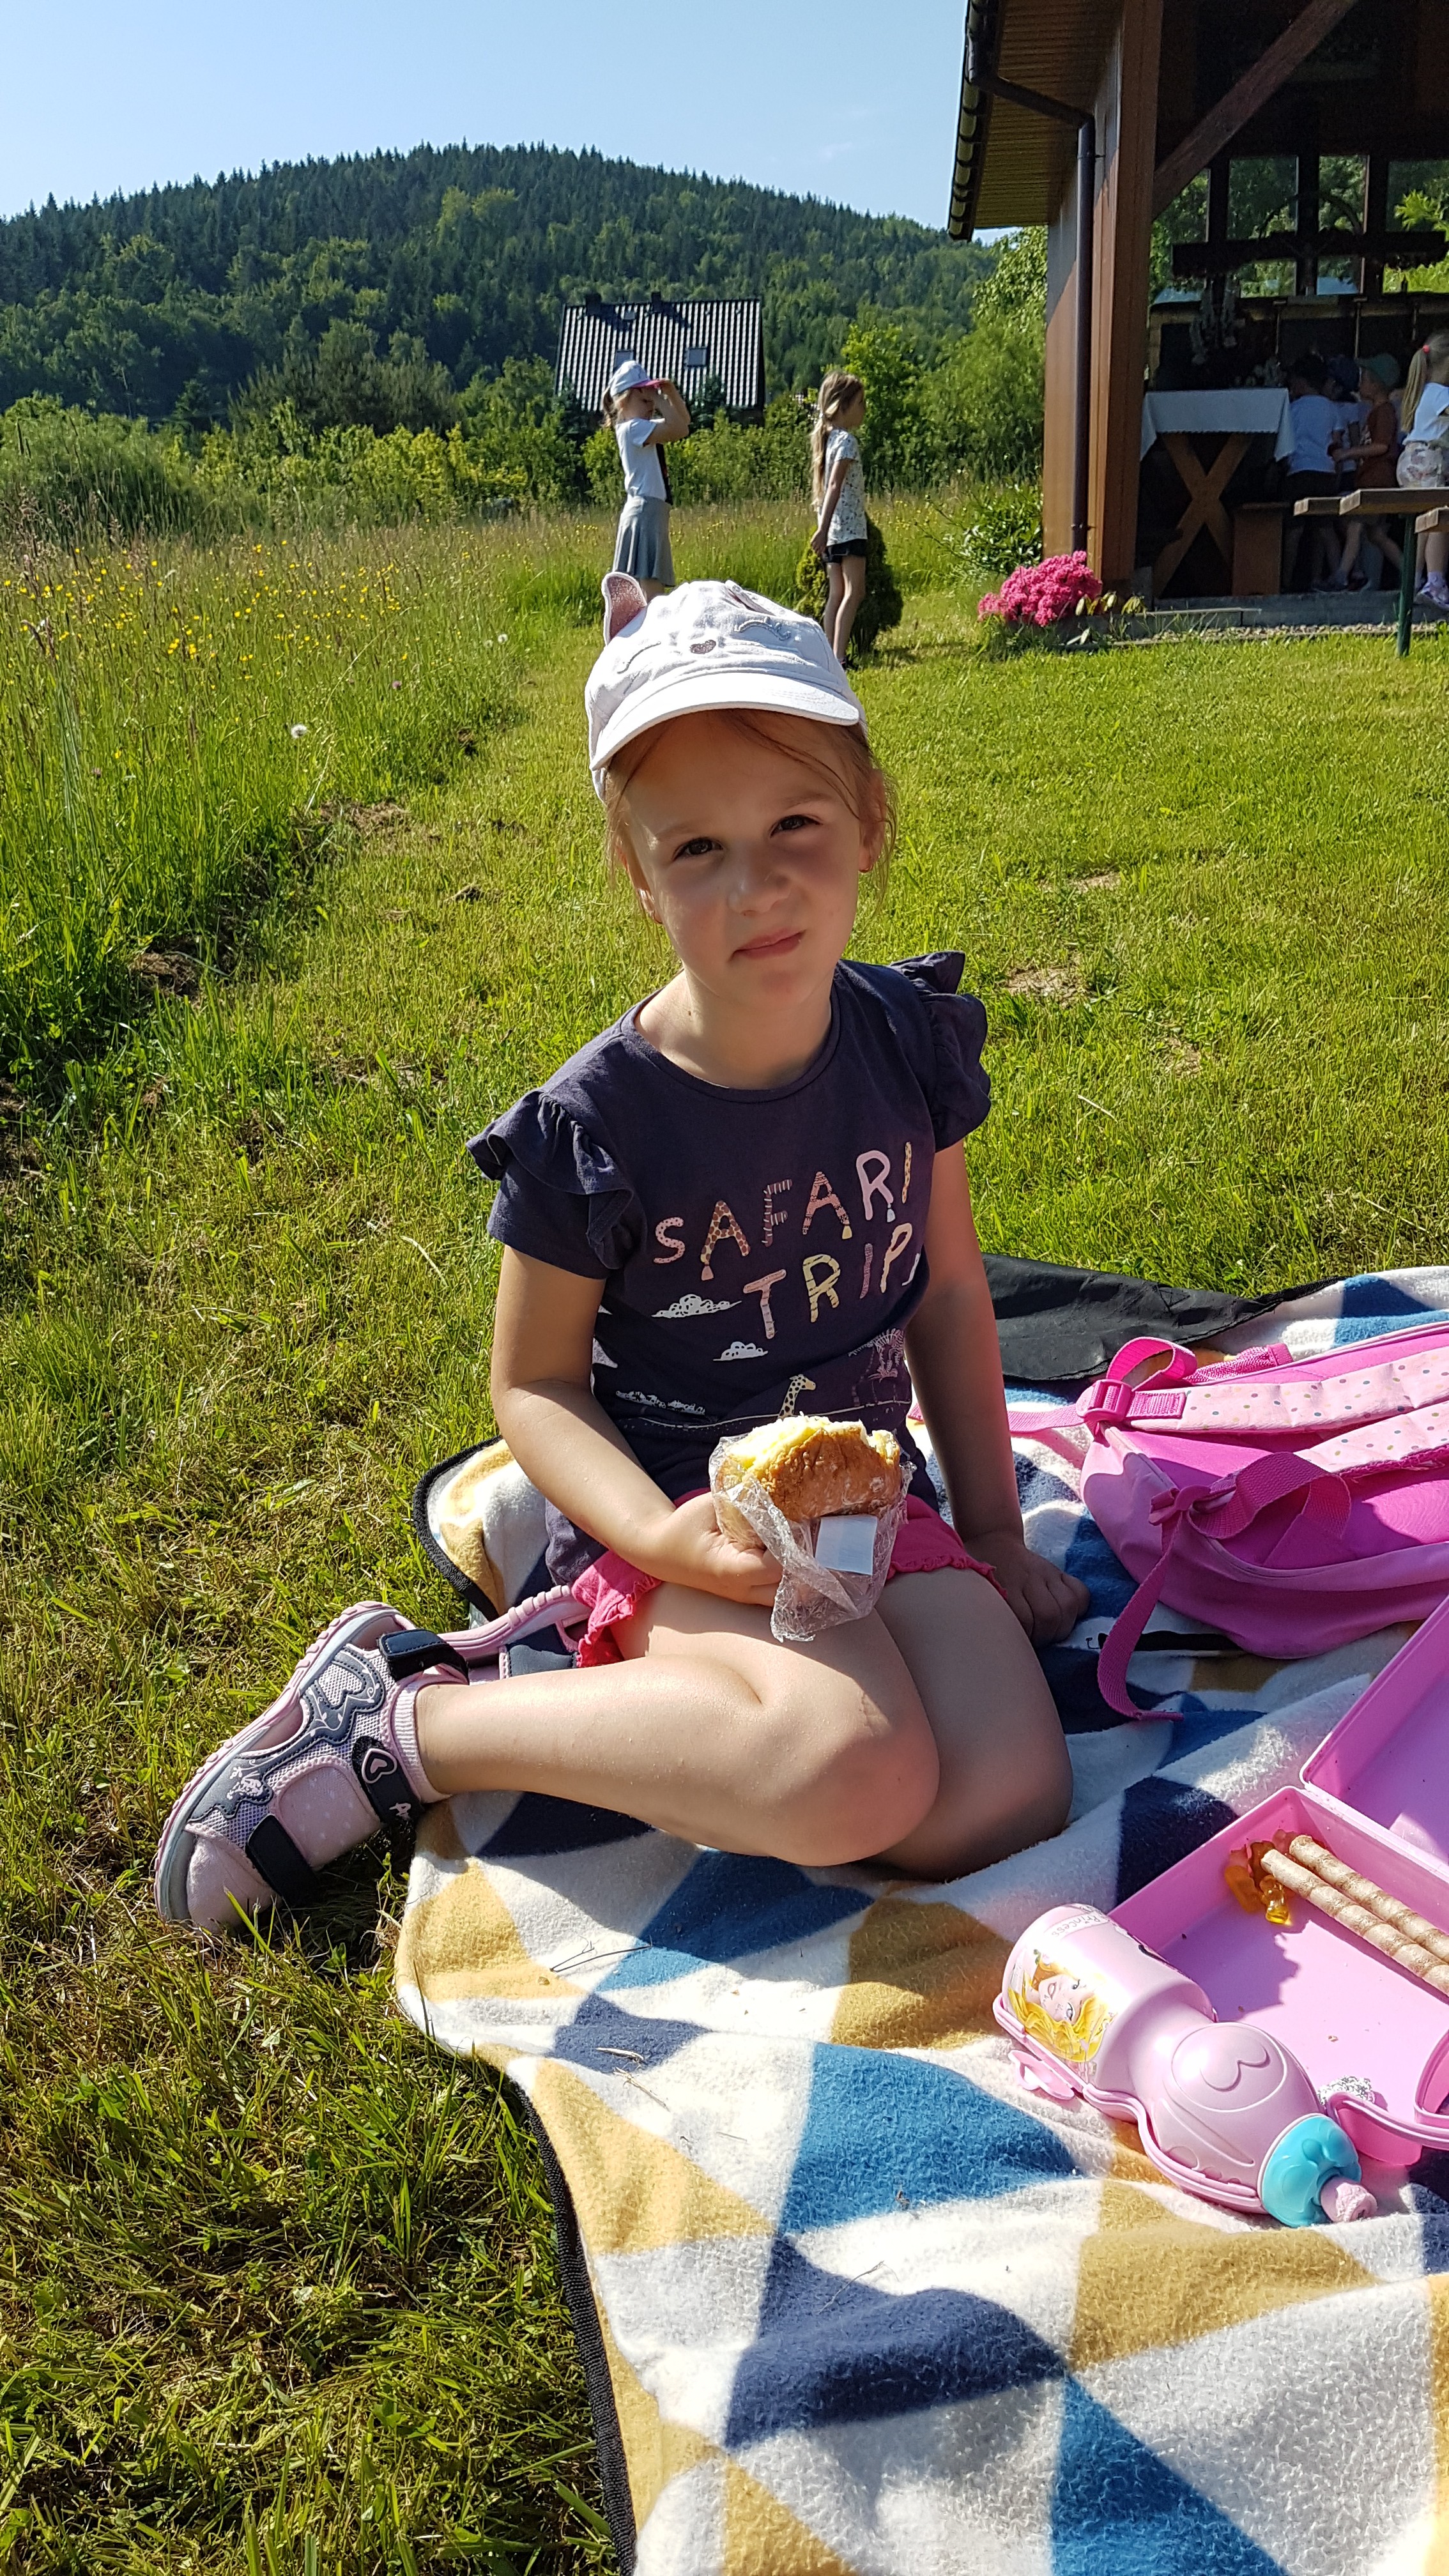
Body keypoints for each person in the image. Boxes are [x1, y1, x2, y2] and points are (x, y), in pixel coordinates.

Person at [156, 578, 1087, 1934]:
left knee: (1004, 1796)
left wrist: (992, 1531)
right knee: (854, 1768)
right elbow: (533, 1382)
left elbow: (946, 1294)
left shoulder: (906, 1047)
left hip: (866, 1508)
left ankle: (732, 1736)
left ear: (870, 821)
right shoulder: (596, 1128)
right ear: (637, 872)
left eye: (795, 824)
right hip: (673, 1505)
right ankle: (404, 1724)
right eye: (697, 848)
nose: (756, 885)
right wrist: (657, 1534)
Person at [602, 359, 691, 601]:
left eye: (652, 402)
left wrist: (670, 393)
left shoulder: (639, 428)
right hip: (645, 511)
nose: (651, 406)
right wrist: (661, 399)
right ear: (623, 402)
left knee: (647, 593)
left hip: (650, 511)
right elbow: (679, 429)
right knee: (652, 595)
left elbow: (683, 423)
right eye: (645, 401)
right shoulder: (633, 429)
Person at [1329, 355, 1404, 592]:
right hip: (1371, 479)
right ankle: (1413, 577)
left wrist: (1347, 453)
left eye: (1363, 379)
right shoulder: (1376, 412)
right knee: (1376, 535)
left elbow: (1381, 446)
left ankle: (1342, 577)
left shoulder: (1384, 412)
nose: (1359, 384)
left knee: (1355, 524)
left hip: (1376, 481)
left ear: (1375, 384)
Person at [811, 372, 870, 663]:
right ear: (843, 405)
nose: (864, 409)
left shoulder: (829, 440)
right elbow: (835, 484)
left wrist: (824, 528)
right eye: (860, 402)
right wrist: (823, 529)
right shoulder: (846, 441)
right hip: (848, 528)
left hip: (834, 530)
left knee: (836, 593)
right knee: (855, 591)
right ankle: (840, 657)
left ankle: (829, 658)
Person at [1397, 330, 1449, 608]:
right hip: (1429, 459)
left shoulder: (1424, 391)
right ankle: (1435, 583)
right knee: (1441, 519)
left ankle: (1412, 581)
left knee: (1424, 524)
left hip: (1411, 458)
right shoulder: (1441, 394)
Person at [1281, 354, 1342, 591]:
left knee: (1294, 531)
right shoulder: (1332, 408)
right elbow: (1337, 443)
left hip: (1299, 471)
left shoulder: (1293, 409)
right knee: (1326, 529)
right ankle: (1337, 578)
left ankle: (1285, 582)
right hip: (1325, 472)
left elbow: (1285, 445)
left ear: (1300, 381)